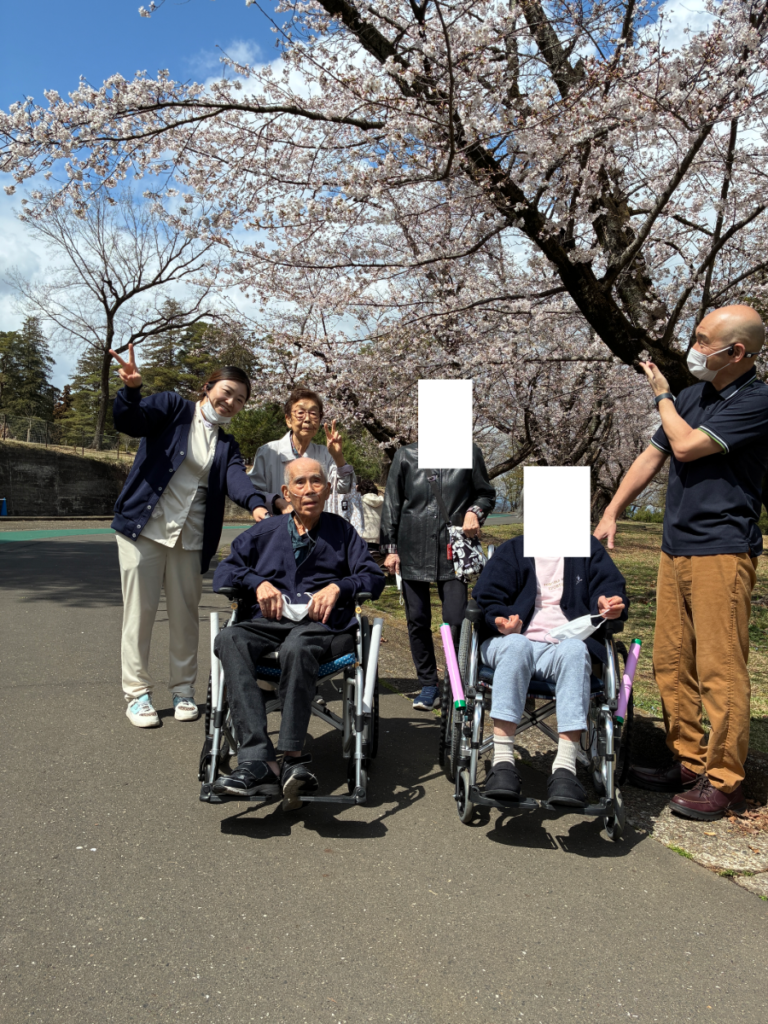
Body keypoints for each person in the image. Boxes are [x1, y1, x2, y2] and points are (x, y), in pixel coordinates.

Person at [594, 304, 768, 821]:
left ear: (736, 352)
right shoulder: (695, 396)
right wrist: (611, 510)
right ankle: (688, 762)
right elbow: (654, 454)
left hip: (722, 550)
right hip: (676, 548)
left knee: (720, 669)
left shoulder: (757, 401)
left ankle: (725, 780)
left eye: (703, 339)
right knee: (670, 662)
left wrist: (663, 395)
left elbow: (687, 446)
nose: (694, 347)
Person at [110, 344, 273, 729]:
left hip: (191, 537)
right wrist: (132, 390)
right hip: (144, 529)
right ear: (207, 387)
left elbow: (237, 479)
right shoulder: (172, 408)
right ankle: (137, 695)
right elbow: (131, 422)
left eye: (240, 399)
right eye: (227, 392)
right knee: (140, 613)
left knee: (185, 616)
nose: (231, 402)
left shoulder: (227, 444)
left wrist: (259, 505)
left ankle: (183, 689)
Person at [210, 457, 385, 801]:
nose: (309, 490)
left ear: (328, 488)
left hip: (322, 627)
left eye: (316, 481)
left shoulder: (342, 532)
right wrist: (257, 582)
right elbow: (224, 573)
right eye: (300, 483)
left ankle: (293, 755)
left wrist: (340, 587)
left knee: (297, 646)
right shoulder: (264, 532)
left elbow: (372, 577)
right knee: (229, 638)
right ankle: (258, 759)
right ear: (286, 493)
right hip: (267, 622)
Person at [472, 536, 628, 805]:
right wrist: (499, 618)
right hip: (508, 641)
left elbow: (610, 588)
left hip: (561, 647)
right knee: (517, 646)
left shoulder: (587, 550)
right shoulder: (514, 549)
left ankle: (566, 769)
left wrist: (610, 604)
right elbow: (486, 596)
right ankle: (503, 762)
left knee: (575, 649)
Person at [380, 443, 496, 710]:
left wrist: (474, 511)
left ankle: (455, 681)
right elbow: (392, 503)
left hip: (453, 549)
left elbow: (485, 494)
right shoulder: (406, 454)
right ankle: (429, 684)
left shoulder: (470, 452)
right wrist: (390, 549)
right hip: (412, 547)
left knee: (456, 620)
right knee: (417, 619)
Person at [248, 388, 355, 513]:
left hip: (315, 527)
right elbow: (252, 491)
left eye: (314, 414)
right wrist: (277, 501)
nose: (308, 419)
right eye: (300, 413)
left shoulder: (326, 454)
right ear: (288, 420)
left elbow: (344, 488)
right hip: (277, 526)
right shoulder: (268, 452)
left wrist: (338, 457)